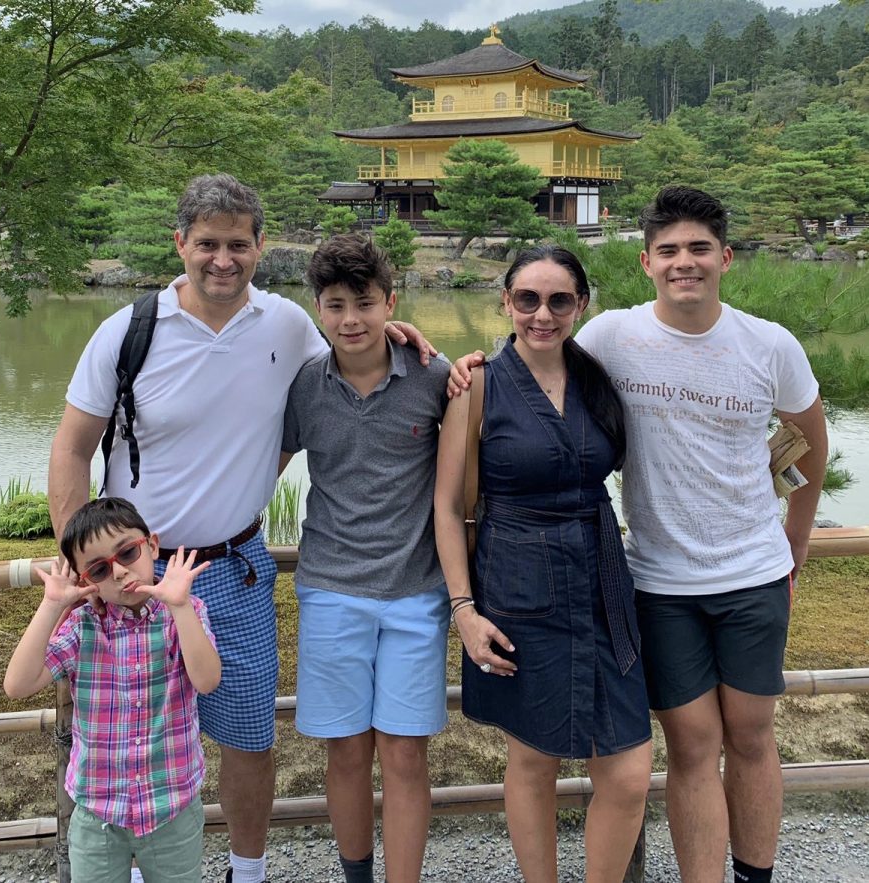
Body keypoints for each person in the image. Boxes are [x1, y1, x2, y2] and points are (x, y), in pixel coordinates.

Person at [48, 173, 435, 883]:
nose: (221, 259)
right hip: (136, 572)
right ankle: (139, 867)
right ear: (180, 244)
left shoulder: (288, 324)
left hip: (238, 563)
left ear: (261, 246)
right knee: (134, 730)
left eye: (237, 244)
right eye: (206, 244)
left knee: (249, 735)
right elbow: (72, 448)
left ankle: (247, 871)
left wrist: (402, 338)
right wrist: (85, 571)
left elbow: (352, 362)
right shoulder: (129, 330)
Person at [451, 186, 829, 883]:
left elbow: (810, 433)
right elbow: (534, 353)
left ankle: (756, 873)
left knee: (751, 735)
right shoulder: (612, 336)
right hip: (656, 580)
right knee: (690, 744)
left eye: (698, 249)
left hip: (752, 571)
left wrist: (795, 543)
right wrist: (463, 365)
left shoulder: (769, 344)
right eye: (669, 251)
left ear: (726, 256)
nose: (684, 262)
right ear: (646, 261)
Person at [435, 244, 653, 883]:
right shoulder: (474, 385)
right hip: (515, 586)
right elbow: (447, 508)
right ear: (505, 303)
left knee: (628, 768)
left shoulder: (599, 377)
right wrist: (464, 610)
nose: (542, 314)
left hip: (602, 585)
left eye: (560, 300)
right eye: (527, 299)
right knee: (532, 760)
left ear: (581, 305)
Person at [279, 234, 451, 883]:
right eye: (336, 304)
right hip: (329, 589)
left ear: (391, 302)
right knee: (347, 752)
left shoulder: (432, 375)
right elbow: (261, 468)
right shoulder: (303, 385)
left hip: (415, 591)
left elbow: (473, 458)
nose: (351, 319)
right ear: (318, 309)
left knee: (405, 755)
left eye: (365, 303)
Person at [4, 497, 220, 883]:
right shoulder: (82, 626)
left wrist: (181, 606)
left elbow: (206, 680)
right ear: (85, 581)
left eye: (127, 552)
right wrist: (53, 605)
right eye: (101, 568)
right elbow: (17, 685)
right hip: (97, 810)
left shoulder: (185, 613)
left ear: (152, 545)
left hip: (172, 802)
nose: (119, 573)